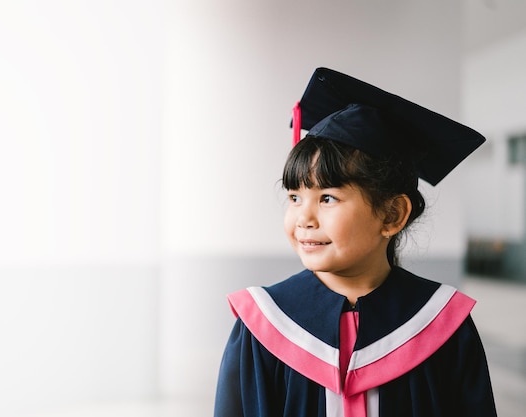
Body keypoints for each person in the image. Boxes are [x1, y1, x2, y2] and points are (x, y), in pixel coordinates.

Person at [213, 68, 497, 417]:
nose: (304, 218)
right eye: (294, 197)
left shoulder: (441, 325)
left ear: (392, 215)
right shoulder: (263, 324)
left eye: (328, 198)